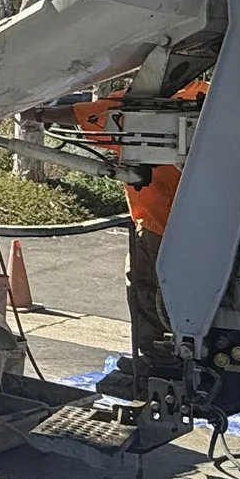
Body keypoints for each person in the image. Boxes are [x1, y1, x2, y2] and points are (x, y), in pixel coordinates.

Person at [63, 77, 209, 396]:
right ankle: (184, 356)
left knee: (149, 288)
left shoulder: (141, 102)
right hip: (204, 223)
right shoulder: (208, 95)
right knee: (187, 292)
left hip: (160, 222)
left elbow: (93, 116)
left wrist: (36, 114)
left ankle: (161, 360)